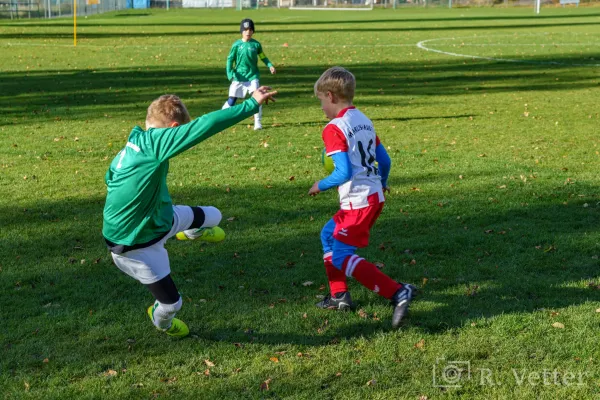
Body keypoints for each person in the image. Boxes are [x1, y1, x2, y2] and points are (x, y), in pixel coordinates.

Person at [103, 87, 277, 337]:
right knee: (172, 305)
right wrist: (251, 105)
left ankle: (192, 233)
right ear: (174, 128)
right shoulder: (157, 143)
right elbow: (206, 125)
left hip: (162, 218)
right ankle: (160, 321)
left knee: (214, 215)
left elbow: (111, 179)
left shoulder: (136, 142)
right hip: (135, 245)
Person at [309, 67, 416, 328]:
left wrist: (320, 185)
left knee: (341, 255)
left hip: (358, 202)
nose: (321, 107)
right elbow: (385, 160)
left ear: (331, 96)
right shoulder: (363, 120)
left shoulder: (334, 128)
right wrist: (383, 182)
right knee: (327, 235)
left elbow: (343, 172)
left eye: (321, 101)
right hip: (372, 196)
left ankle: (398, 292)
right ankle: (339, 296)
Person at [222, 18, 276, 131]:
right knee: (232, 100)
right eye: (245, 29)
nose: (248, 32)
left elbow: (263, 57)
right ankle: (221, 118)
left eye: (250, 29)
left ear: (253, 31)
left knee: (257, 98)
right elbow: (229, 59)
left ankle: (257, 123)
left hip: (252, 77)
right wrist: (229, 73)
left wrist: (270, 65)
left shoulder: (256, 45)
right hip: (239, 77)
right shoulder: (236, 45)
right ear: (242, 31)